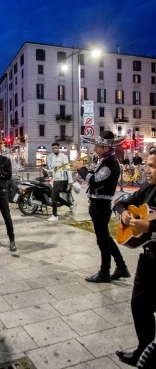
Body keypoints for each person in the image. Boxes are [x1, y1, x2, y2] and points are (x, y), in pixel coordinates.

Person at [113, 148, 156, 367]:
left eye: (153, 166)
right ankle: (144, 351)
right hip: (148, 261)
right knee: (140, 307)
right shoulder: (147, 187)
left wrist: (150, 227)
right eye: (147, 165)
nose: (147, 170)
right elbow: (120, 202)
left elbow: (150, 225)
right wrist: (124, 214)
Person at [75, 131, 130, 283]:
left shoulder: (111, 162)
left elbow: (95, 181)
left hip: (101, 206)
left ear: (105, 147)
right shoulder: (104, 160)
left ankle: (105, 272)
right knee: (105, 237)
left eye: (98, 145)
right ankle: (121, 267)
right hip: (98, 205)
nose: (95, 148)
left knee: (102, 240)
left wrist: (81, 169)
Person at [46, 142, 76, 222]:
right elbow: (54, 169)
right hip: (56, 180)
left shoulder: (63, 157)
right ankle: (70, 205)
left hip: (62, 180)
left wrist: (70, 181)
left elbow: (68, 169)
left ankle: (55, 215)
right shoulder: (53, 158)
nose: (54, 149)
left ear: (58, 148)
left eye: (56, 148)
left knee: (54, 197)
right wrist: (47, 172)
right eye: (53, 148)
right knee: (55, 197)